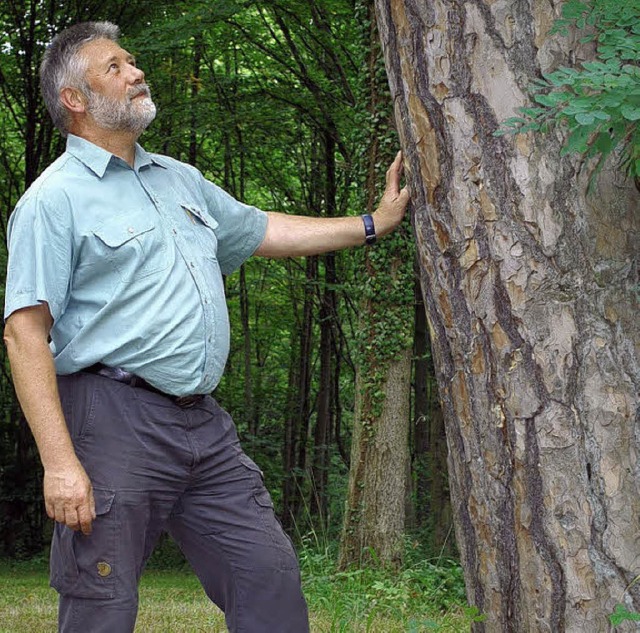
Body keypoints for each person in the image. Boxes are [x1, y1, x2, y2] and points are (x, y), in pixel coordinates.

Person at [3, 21, 409, 633]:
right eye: (114, 67)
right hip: (110, 419)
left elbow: (261, 229)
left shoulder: (178, 178)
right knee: (101, 603)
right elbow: (23, 333)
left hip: (203, 424)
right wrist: (60, 464)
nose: (136, 72)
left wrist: (371, 223)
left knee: (266, 579)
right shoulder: (51, 200)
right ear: (76, 100)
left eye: (133, 60)